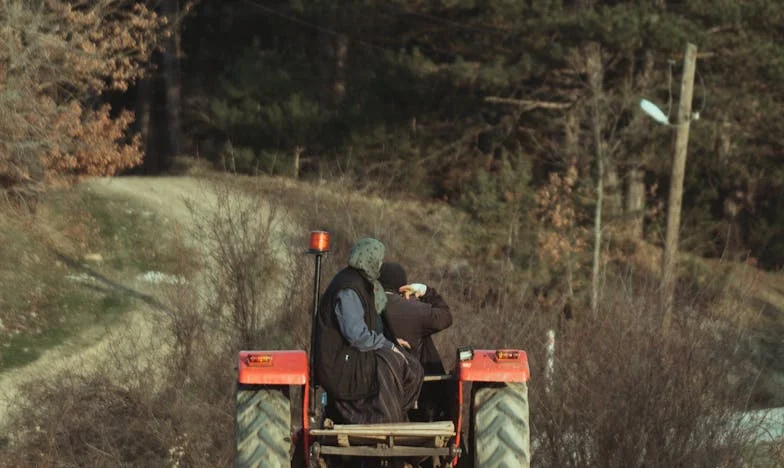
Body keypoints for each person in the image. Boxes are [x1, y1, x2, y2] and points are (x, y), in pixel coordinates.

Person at [313, 238, 424, 425]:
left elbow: (368, 328)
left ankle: (396, 415)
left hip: (353, 354)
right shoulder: (348, 289)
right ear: (369, 260)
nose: (380, 266)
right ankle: (387, 420)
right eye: (379, 261)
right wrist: (389, 347)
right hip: (341, 362)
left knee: (412, 366)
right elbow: (356, 335)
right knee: (390, 363)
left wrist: (393, 343)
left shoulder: (362, 283)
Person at [379, 262, 453, 375]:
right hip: (412, 380)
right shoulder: (414, 309)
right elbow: (445, 316)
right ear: (402, 286)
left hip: (376, 380)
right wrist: (425, 291)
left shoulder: (364, 307)